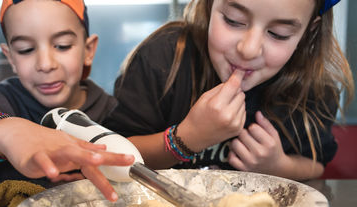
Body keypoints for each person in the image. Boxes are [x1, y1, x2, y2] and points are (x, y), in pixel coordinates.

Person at [105, 0, 354, 180]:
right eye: (233, 20)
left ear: (308, 31)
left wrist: (278, 166)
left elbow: (315, 164)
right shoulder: (162, 59)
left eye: (279, 34)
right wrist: (186, 139)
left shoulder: (313, 88)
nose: (249, 49)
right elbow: (111, 155)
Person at [0, 0, 135, 202]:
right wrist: (5, 132)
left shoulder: (112, 111)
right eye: (25, 50)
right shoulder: (2, 100)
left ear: (88, 50)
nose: (45, 64)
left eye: (62, 46)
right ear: (11, 58)